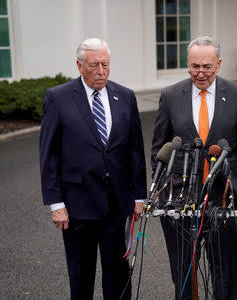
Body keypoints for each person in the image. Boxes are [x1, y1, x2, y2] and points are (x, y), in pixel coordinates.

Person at [39, 38, 147, 300]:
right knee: (80, 274)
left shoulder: (126, 96)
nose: (101, 71)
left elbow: (135, 150)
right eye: (94, 65)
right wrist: (56, 204)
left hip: (116, 202)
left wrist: (139, 195)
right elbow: (49, 154)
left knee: (118, 272)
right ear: (79, 65)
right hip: (77, 205)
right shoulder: (58, 98)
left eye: (106, 65)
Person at [151, 36, 237, 300]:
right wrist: (165, 191)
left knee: (226, 271)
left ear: (218, 64)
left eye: (207, 66)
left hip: (224, 199)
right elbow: (158, 150)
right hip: (180, 201)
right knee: (184, 271)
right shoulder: (171, 95)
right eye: (195, 66)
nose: (200, 73)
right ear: (187, 65)